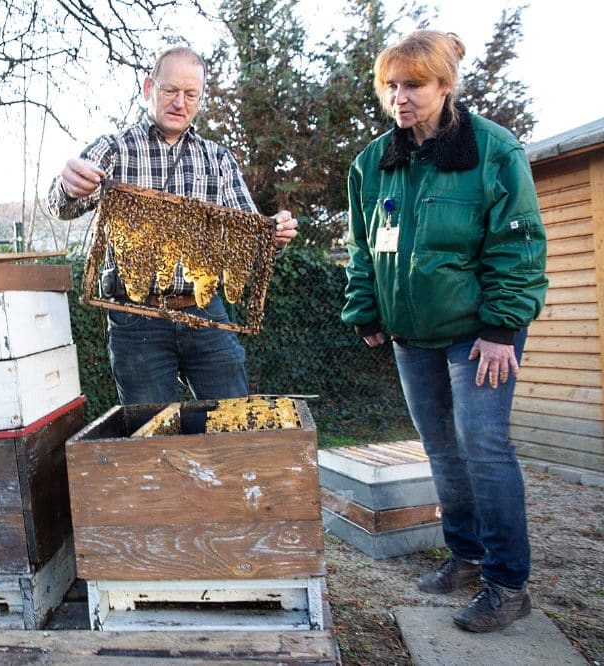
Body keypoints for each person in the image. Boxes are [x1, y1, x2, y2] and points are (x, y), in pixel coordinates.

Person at [341, 30, 548, 633]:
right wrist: (368, 310)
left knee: (484, 446)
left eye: (414, 85)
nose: (400, 98)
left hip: (479, 334)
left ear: (445, 86)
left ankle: (508, 586)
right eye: (391, 86)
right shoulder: (373, 162)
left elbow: (518, 243)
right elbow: (363, 246)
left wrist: (503, 327)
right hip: (413, 334)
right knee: (440, 448)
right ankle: (466, 556)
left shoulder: (493, 150)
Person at [47, 45, 298, 405]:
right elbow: (60, 206)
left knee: (234, 423)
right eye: (170, 90)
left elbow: (254, 234)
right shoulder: (114, 149)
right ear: (149, 88)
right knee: (150, 435)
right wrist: (68, 187)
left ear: (200, 98)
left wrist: (276, 233)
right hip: (136, 318)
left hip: (205, 311)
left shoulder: (218, 159)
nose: (180, 102)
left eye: (190, 94)